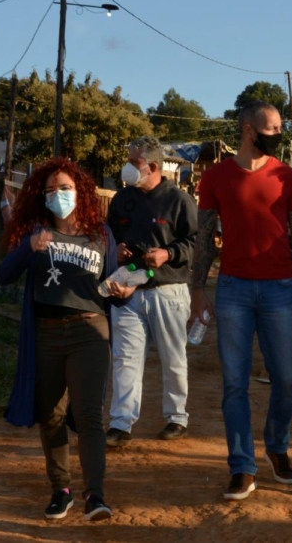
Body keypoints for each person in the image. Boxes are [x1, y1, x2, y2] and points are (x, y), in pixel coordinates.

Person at [190, 101, 292, 502]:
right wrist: (198, 290)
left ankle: (277, 446)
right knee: (234, 384)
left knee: (286, 379)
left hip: (280, 289)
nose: (279, 134)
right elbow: (203, 238)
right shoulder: (215, 177)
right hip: (231, 289)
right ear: (249, 129)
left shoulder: (289, 178)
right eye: (274, 127)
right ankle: (242, 467)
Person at [0, 158, 133, 523]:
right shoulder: (36, 231)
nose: (57, 195)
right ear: (42, 197)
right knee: (52, 416)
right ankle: (61, 490)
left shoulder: (100, 234)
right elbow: (4, 275)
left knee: (88, 415)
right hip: (45, 333)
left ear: (80, 191)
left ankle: (95, 495)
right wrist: (29, 246)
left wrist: (122, 291)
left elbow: (113, 286)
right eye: (50, 190)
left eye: (65, 188)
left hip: (90, 332)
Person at [105, 136, 199, 447]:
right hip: (128, 291)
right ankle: (121, 423)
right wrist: (114, 250)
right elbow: (108, 236)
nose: (127, 169)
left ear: (153, 167)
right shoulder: (122, 199)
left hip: (168, 291)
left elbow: (194, 243)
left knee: (173, 357)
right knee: (125, 358)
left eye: (134, 163)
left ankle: (176, 417)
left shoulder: (179, 200)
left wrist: (167, 254)